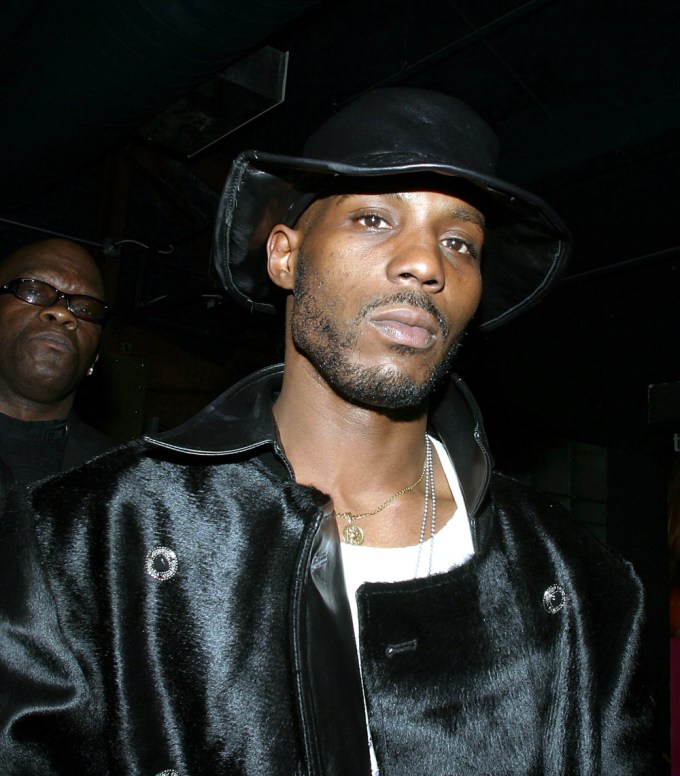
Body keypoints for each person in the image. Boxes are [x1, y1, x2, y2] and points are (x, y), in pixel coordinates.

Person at [0, 89, 652, 774]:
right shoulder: (83, 540)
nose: (426, 264)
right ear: (285, 256)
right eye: (373, 218)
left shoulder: (581, 582)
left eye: (459, 242)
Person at [0, 238, 113, 508]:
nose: (62, 314)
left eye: (85, 309)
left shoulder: (121, 480)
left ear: (94, 358)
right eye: (34, 290)